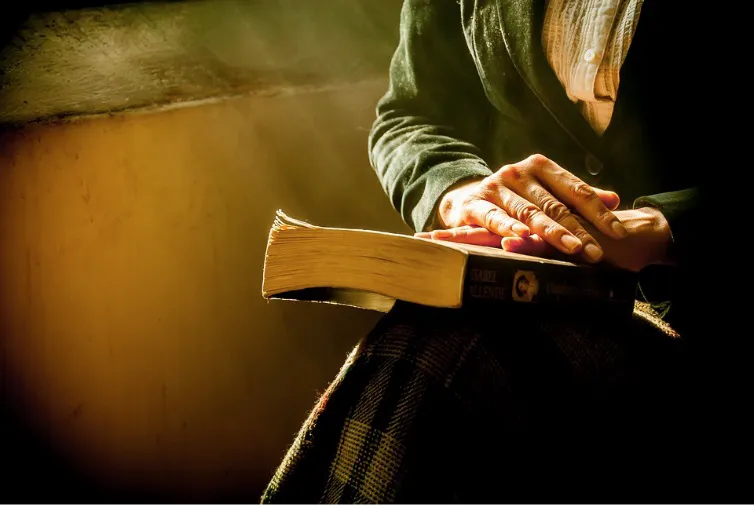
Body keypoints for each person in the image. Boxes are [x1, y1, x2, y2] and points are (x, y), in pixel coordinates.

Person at [262, 1, 723, 502]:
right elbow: (411, 115)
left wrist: (662, 225)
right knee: (429, 335)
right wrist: (458, 190)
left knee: (449, 351)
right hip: (543, 296)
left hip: (697, 318)